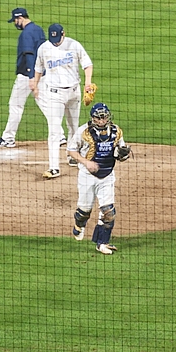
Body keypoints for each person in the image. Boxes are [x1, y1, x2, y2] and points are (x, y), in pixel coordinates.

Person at [31, 23, 94, 179]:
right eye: (53, 39)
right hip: (54, 94)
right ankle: (54, 168)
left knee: (73, 126)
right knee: (54, 131)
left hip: (74, 91)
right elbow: (38, 68)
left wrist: (87, 83)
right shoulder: (44, 48)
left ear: (63, 34)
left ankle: (72, 155)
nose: (56, 42)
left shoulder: (74, 45)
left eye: (58, 39)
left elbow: (87, 64)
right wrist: (36, 84)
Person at [67, 103, 130, 255]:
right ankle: (79, 224)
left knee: (108, 212)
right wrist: (86, 162)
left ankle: (102, 243)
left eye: (104, 117)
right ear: (93, 118)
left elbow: (121, 154)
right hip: (87, 177)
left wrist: (123, 155)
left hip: (107, 176)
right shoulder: (84, 131)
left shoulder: (116, 131)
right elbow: (71, 150)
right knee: (84, 211)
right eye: (98, 118)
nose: (102, 121)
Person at [0, 8, 46, 149]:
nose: (15, 23)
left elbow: (29, 54)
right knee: (46, 105)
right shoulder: (39, 30)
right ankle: (60, 136)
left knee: (15, 105)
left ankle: (8, 138)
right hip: (42, 74)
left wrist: (31, 76)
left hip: (27, 76)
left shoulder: (26, 34)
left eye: (15, 20)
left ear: (20, 18)